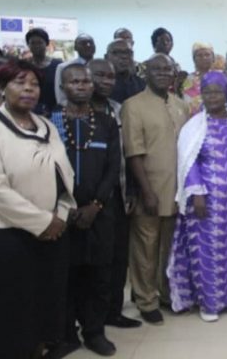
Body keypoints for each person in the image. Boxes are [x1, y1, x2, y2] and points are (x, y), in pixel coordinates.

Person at [0, 59, 75, 359]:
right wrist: (41, 222)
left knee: (44, 305)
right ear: (2, 88)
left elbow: (65, 175)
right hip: (4, 236)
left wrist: (60, 215)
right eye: (19, 83)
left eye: (34, 84)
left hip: (51, 233)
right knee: (10, 312)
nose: (28, 90)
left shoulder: (47, 125)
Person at [168, 71, 227, 322]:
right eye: (207, 92)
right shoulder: (194, 126)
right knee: (208, 253)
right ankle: (210, 304)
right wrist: (196, 193)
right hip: (206, 203)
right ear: (201, 95)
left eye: (217, 91)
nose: (212, 96)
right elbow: (188, 162)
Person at [48, 64, 121, 358]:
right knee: (66, 275)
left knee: (99, 275)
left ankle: (94, 332)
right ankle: (66, 335)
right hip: (61, 213)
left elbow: (113, 167)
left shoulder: (106, 122)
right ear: (63, 87)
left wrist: (96, 205)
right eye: (74, 81)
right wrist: (65, 206)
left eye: (85, 81)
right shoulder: (49, 123)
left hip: (99, 213)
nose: (81, 86)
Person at [121, 54, 189, 325]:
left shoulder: (181, 105)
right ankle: (145, 299)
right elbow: (133, 153)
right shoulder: (133, 106)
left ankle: (164, 293)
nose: (163, 73)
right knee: (145, 247)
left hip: (177, 190)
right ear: (145, 73)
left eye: (168, 69)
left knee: (168, 247)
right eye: (156, 69)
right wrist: (145, 190)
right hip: (149, 189)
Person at [87, 58, 143, 329]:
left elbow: (128, 152)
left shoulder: (119, 110)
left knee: (118, 258)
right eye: (100, 76)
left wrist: (131, 189)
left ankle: (113, 312)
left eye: (110, 77)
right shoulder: (65, 112)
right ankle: (87, 318)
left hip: (119, 195)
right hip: (84, 202)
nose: (106, 82)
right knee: (90, 262)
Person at [181, 42, 226, 115]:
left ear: (213, 58)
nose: (204, 58)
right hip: (196, 120)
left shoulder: (221, 76)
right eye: (199, 55)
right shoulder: (189, 80)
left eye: (207, 55)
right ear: (194, 59)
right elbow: (187, 104)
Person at [26, 28, 62, 116]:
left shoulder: (58, 65)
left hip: (54, 112)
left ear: (46, 44)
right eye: (32, 43)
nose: (36, 46)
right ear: (28, 45)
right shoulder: (24, 65)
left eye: (39, 42)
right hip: (29, 111)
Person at [55, 33, 96, 106]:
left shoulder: (101, 66)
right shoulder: (63, 67)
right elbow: (60, 96)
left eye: (91, 43)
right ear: (75, 47)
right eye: (83, 43)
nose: (88, 46)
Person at [105, 38, 145, 103]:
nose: (124, 56)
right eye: (117, 52)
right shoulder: (102, 84)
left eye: (128, 52)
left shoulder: (142, 84)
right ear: (106, 57)